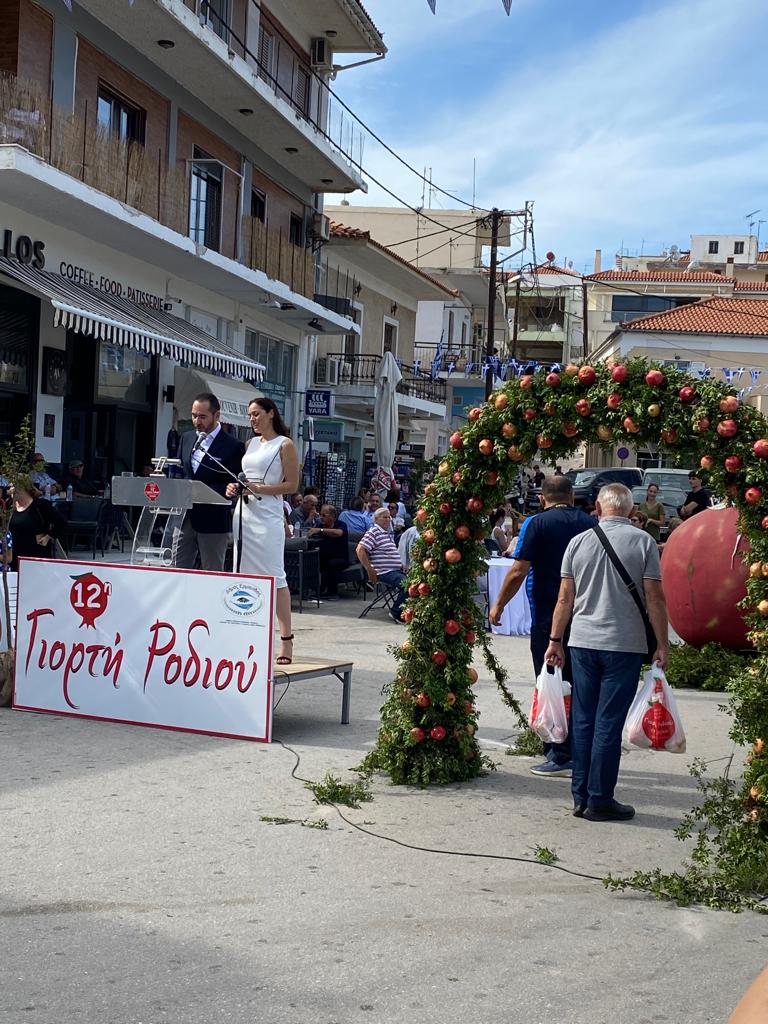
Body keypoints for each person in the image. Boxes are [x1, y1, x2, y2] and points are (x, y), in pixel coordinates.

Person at [544, 482, 669, 821]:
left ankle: (580, 796)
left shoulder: (578, 543)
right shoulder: (643, 543)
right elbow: (654, 598)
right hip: (624, 645)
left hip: (582, 642)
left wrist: (555, 641)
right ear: (631, 511)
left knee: (583, 719)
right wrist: (662, 642)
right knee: (608, 722)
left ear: (598, 509)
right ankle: (600, 798)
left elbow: (564, 598)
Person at [489, 475, 595, 777]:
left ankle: (559, 752)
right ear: (572, 497)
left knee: (551, 681)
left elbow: (519, 570)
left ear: (542, 498)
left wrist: (499, 604)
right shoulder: (589, 523)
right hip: (583, 612)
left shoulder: (536, 523)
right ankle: (579, 746)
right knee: (578, 683)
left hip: (548, 613)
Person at [226, 397, 300, 665]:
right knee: (242, 573)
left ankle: (286, 640)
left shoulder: (285, 444)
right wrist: (234, 487)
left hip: (268, 513)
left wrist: (261, 489)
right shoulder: (251, 444)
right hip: (244, 513)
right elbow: (243, 477)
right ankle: (246, 633)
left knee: (275, 575)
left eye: (256, 414)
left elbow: (292, 486)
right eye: (249, 415)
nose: (252, 419)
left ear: (271, 414)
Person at [176, 392, 244, 571]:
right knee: (178, 569)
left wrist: (229, 489)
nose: (197, 421)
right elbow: (180, 472)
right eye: (194, 415)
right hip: (184, 517)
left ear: (216, 415)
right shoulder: (187, 438)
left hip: (213, 519)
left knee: (211, 571)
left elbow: (235, 481)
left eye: (203, 416)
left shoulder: (232, 445)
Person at [356, 507, 407, 623]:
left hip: (395, 570)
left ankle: (407, 610)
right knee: (408, 585)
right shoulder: (374, 532)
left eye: (389, 517)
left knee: (418, 582)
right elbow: (360, 549)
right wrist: (369, 569)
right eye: (384, 517)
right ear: (376, 519)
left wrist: (400, 564)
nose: (388, 519)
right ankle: (396, 612)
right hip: (384, 572)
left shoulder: (387, 533)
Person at [8, 479, 66, 569]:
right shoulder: (9, 506)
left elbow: (61, 522)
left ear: (24, 488)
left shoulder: (41, 505)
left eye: (13, 487)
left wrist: (48, 536)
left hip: (35, 554)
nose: (10, 490)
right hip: (13, 555)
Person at [306, 504, 348, 600]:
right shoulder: (320, 525)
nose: (321, 517)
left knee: (330, 565)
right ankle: (316, 590)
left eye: (324, 515)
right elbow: (311, 531)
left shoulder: (341, 524)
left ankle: (333, 593)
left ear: (333, 516)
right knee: (313, 562)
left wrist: (320, 530)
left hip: (340, 558)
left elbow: (339, 533)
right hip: (323, 557)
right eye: (320, 515)